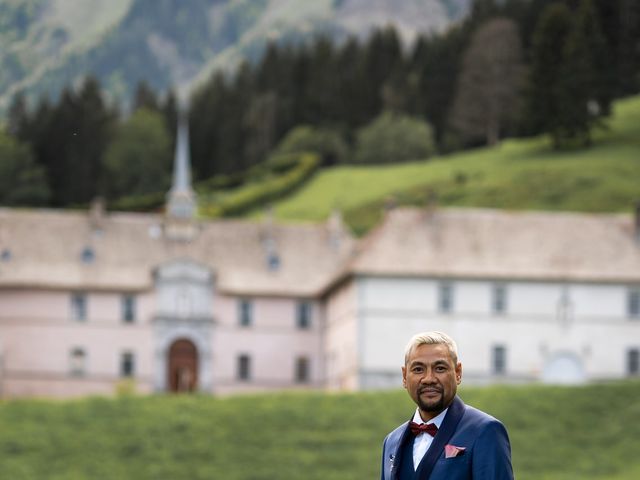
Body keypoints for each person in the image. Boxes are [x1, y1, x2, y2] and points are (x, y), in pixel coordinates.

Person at [381, 331, 513, 479]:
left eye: (440, 368)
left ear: (458, 372)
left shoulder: (485, 431)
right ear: (405, 376)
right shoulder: (391, 442)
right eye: (418, 369)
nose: (428, 379)